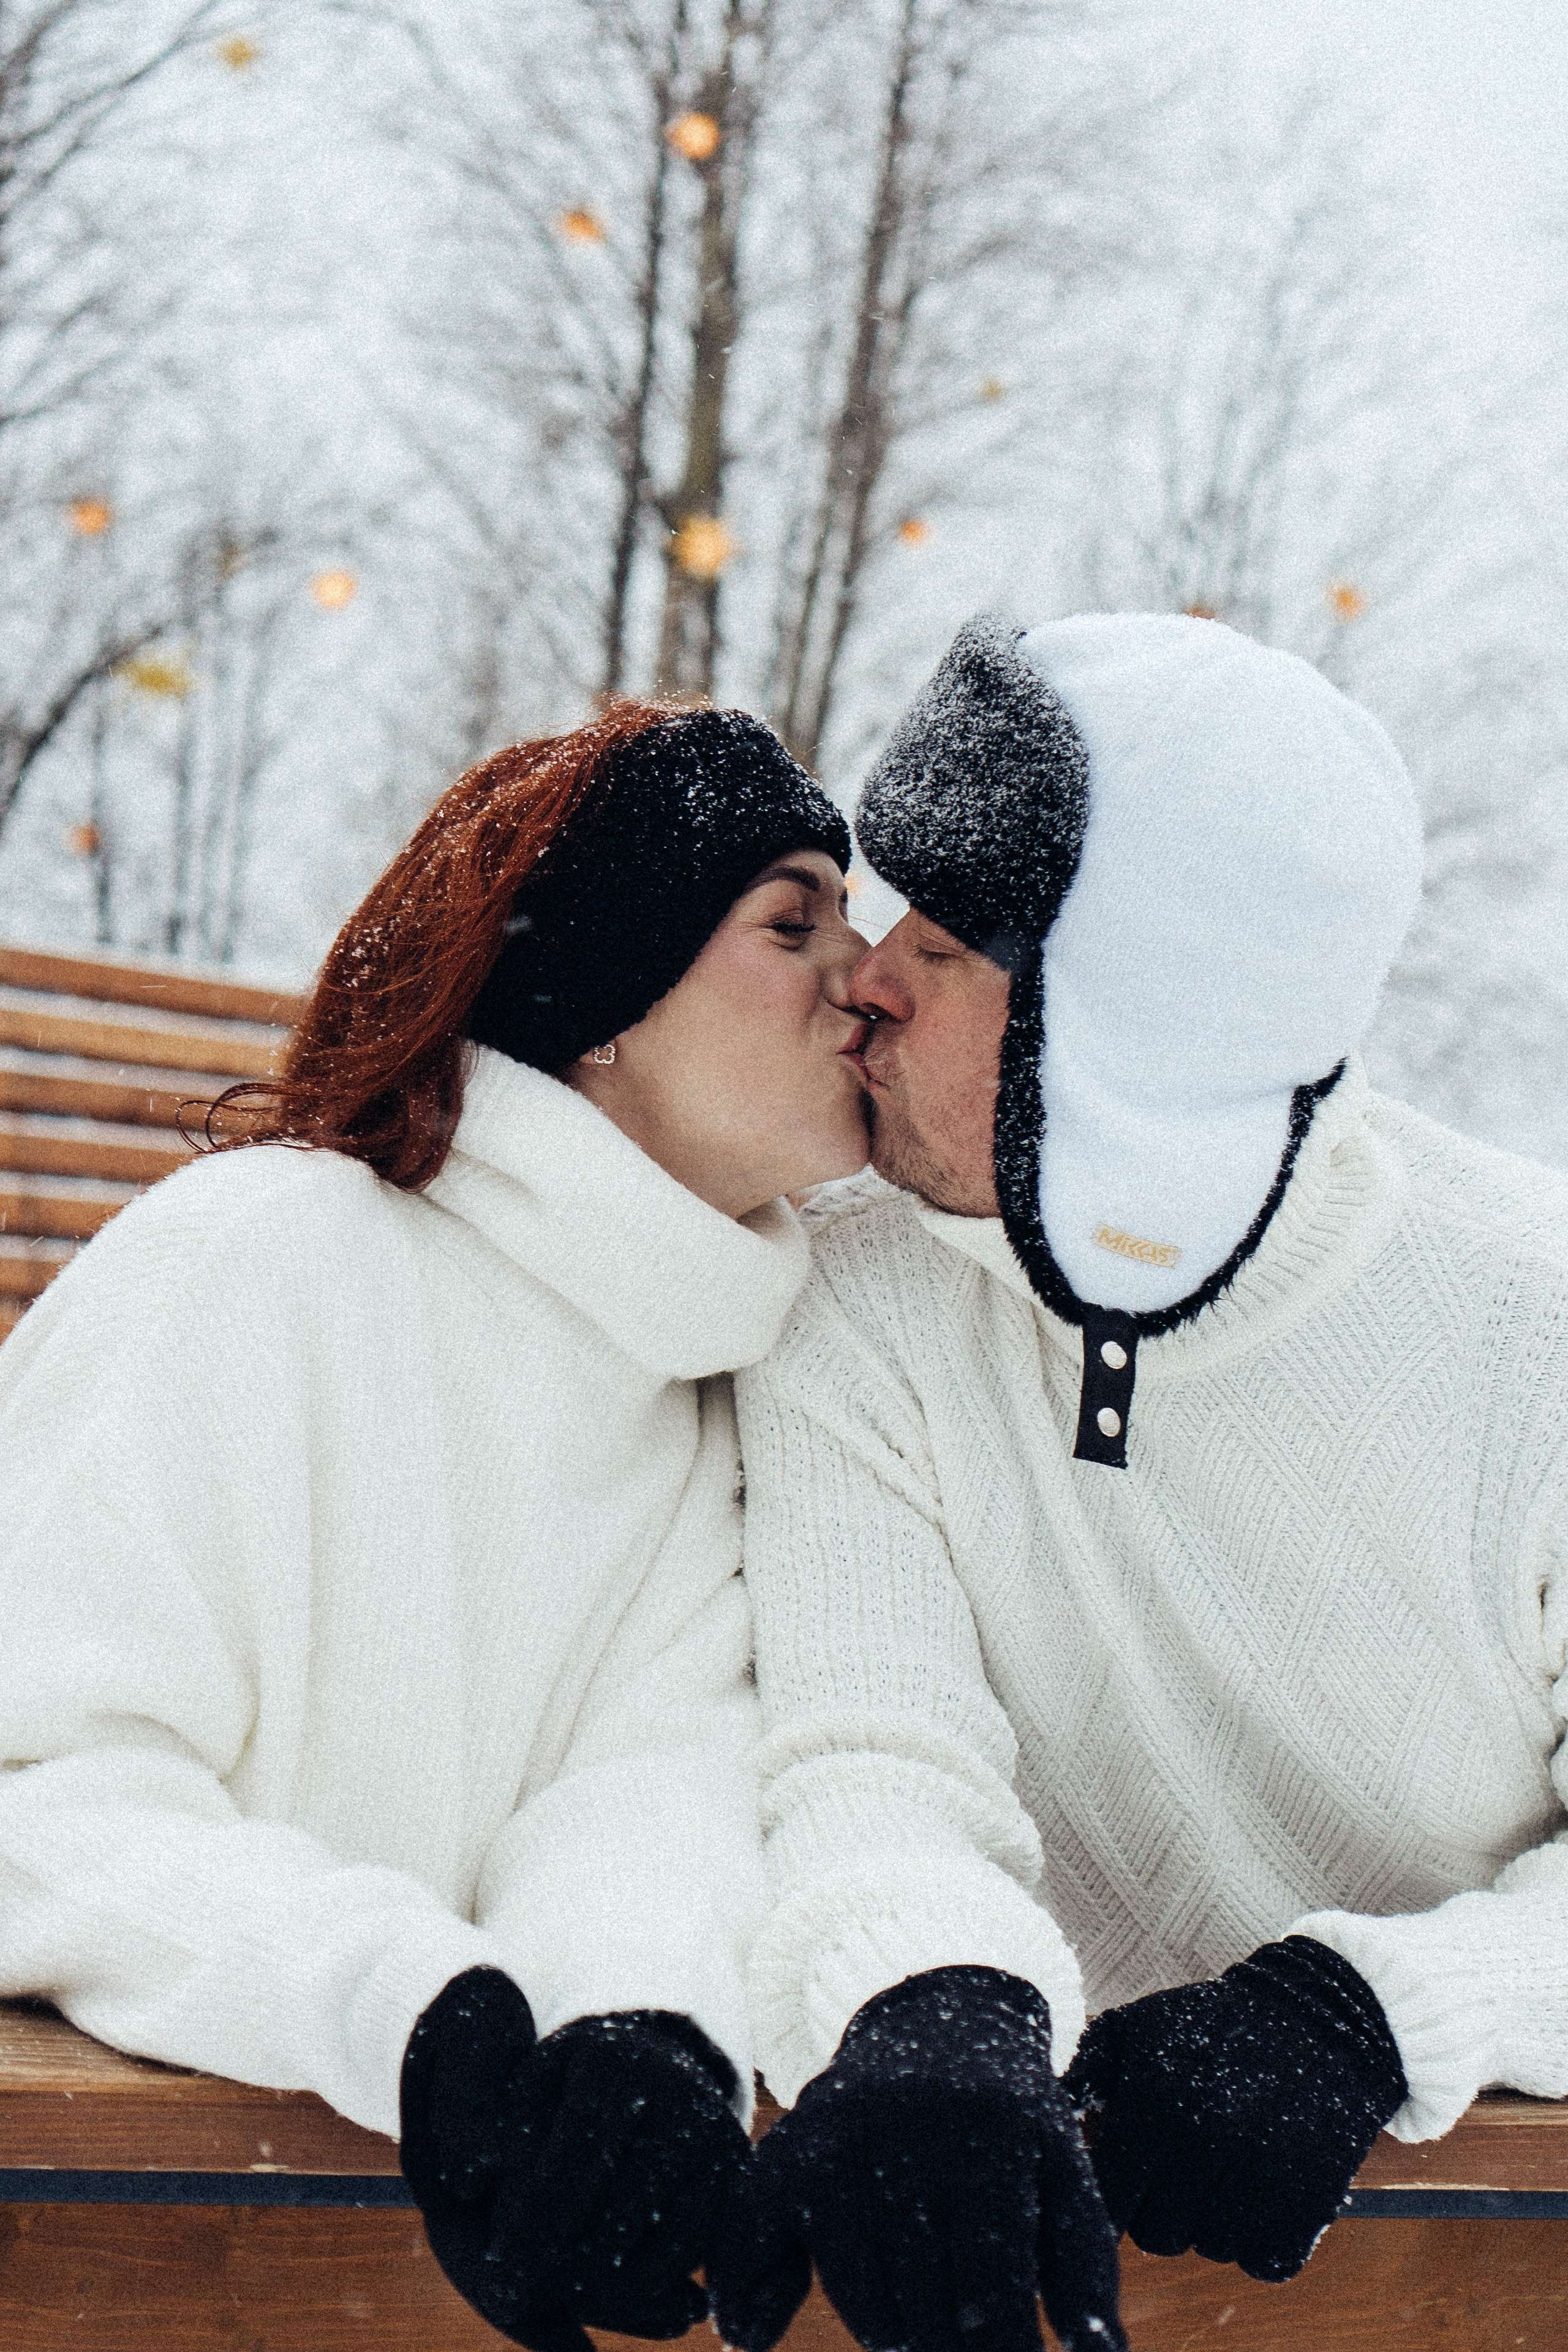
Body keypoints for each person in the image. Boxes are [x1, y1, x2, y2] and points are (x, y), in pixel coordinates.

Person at [709, 614, 1568, 2352]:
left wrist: (1378, 2009)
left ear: (1131, 1031)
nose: (863, 975)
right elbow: (869, 1747)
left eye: (941, 947)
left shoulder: (1531, 1324)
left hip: (1464, 2244)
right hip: (1027, 2232)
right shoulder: (850, 1293)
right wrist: (925, 1989)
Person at [0, 698, 870, 2352]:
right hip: (105, 2251)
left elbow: (646, 1795)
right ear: (605, 1001)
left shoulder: (700, 1390)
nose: (865, 972)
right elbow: (33, 1785)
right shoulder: (261, 1260)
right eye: (792, 919)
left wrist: (636, 2031)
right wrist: (421, 2015)